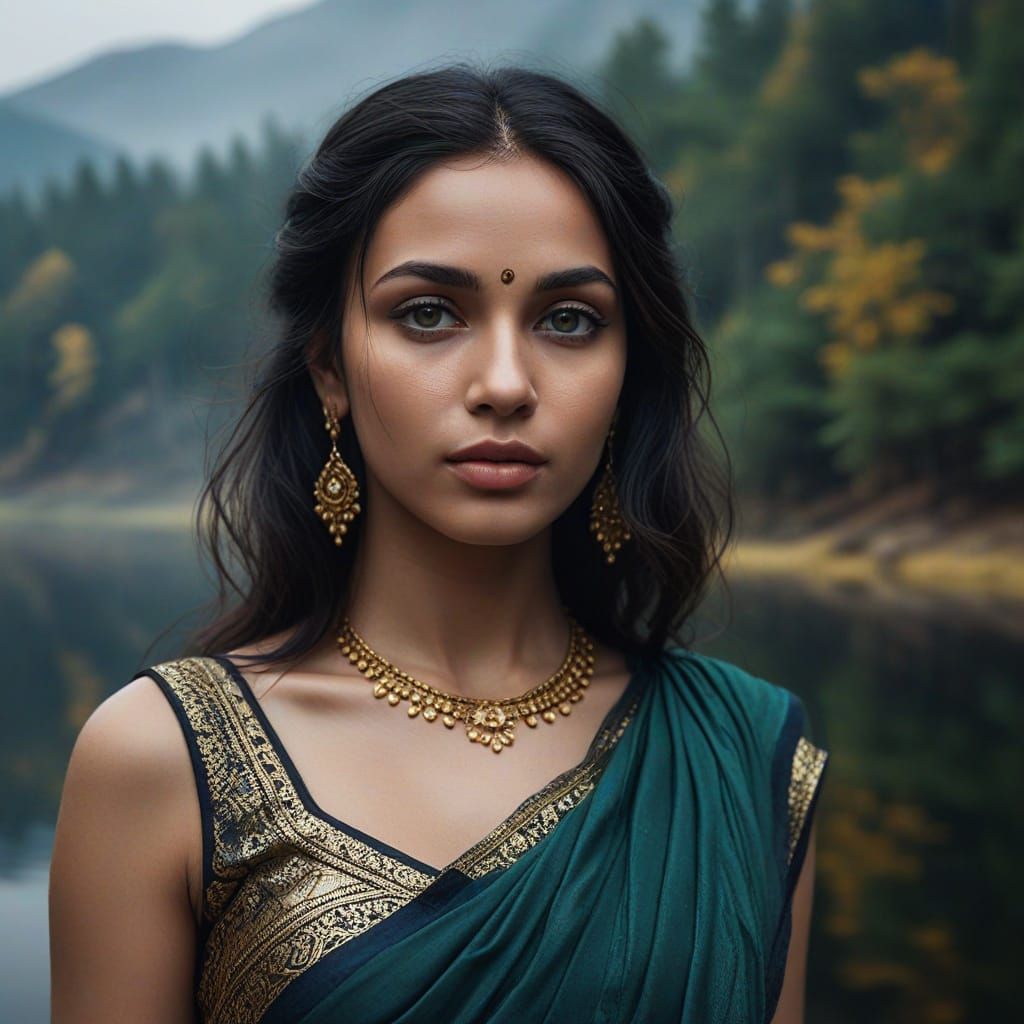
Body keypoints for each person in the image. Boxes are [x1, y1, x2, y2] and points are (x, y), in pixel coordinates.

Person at [48, 64, 828, 1023]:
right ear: (329, 366)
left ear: (629, 370)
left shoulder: (745, 755)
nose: (504, 383)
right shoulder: (161, 760)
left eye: (569, 321)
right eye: (428, 313)